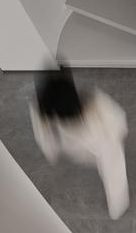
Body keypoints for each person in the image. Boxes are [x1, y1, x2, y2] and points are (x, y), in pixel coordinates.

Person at [29, 67, 129, 220]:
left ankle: (117, 203)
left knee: (112, 165)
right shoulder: (96, 104)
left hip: (96, 146)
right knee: (113, 167)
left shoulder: (43, 110)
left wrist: (51, 151)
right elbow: (118, 124)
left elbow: (44, 136)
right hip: (96, 144)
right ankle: (117, 204)